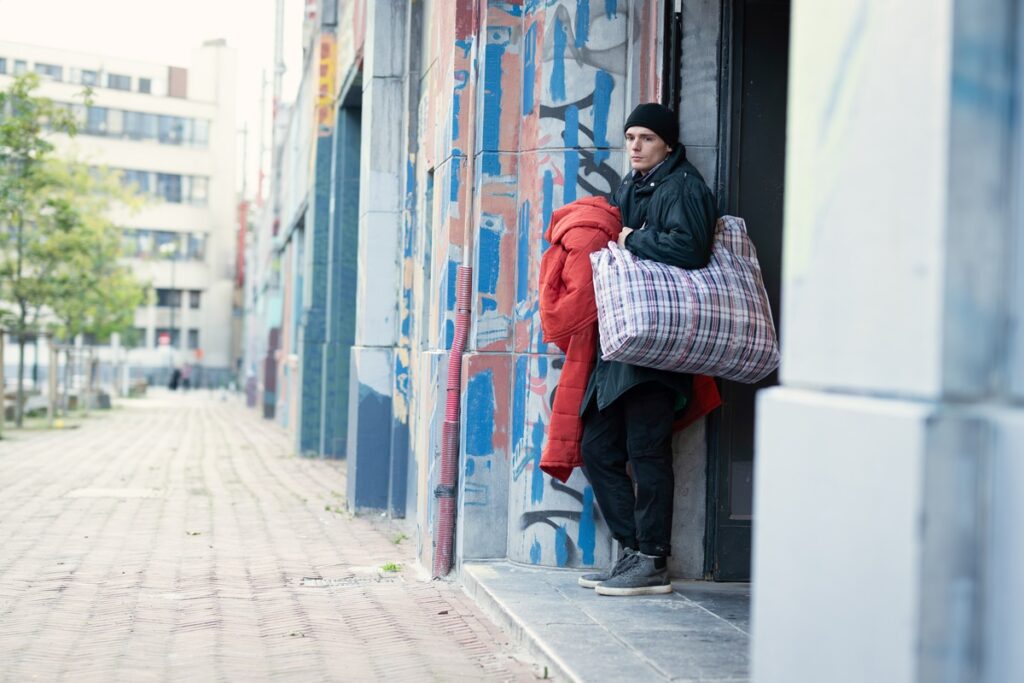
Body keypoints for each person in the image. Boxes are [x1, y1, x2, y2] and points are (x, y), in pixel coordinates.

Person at [579, 103, 718, 596]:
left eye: (647, 138)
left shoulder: (683, 186)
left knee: (647, 451)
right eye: (630, 137)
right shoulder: (632, 185)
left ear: (668, 144)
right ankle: (634, 552)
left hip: (659, 343)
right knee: (596, 448)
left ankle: (652, 559)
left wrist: (632, 238)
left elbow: (691, 249)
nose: (635, 146)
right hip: (624, 340)